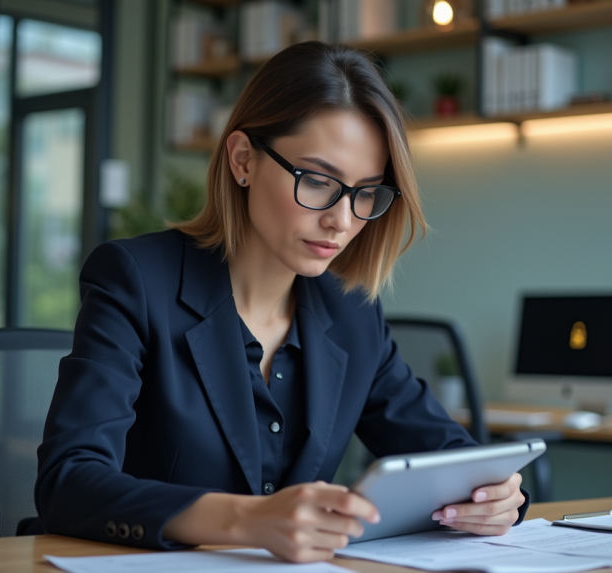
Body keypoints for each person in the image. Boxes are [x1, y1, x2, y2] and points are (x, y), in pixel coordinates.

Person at [35, 42, 528, 563]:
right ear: (243, 160)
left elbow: (453, 458)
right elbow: (68, 481)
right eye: (316, 181)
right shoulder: (136, 279)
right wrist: (245, 520)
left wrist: (498, 498)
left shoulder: (352, 314)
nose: (341, 221)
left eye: (365, 192)